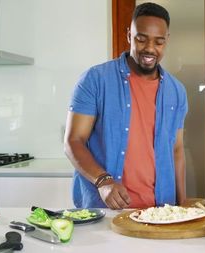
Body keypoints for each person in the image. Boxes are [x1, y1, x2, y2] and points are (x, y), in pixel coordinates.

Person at [64, 2, 187, 209]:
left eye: (158, 42)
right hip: (105, 211)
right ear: (129, 35)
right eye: (141, 39)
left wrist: (183, 205)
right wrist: (103, 181)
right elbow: (74, 141)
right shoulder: (95, 79)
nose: (149, 48)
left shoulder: (177, 91)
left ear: (166, 41)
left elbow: (177, 150)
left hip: (159, 212)